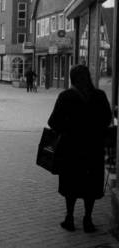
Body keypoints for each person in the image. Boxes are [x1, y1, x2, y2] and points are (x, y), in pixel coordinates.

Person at [47, 65, 112, 233]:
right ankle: (88, 220)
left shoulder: (66, 96)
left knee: (71, 184)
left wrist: (68, 128)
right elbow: (107, 120)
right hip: (93, 149)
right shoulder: (99, 96)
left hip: (71, 149)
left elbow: (53, 122)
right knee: (90, 186)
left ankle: (69, 218)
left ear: (72, 78)